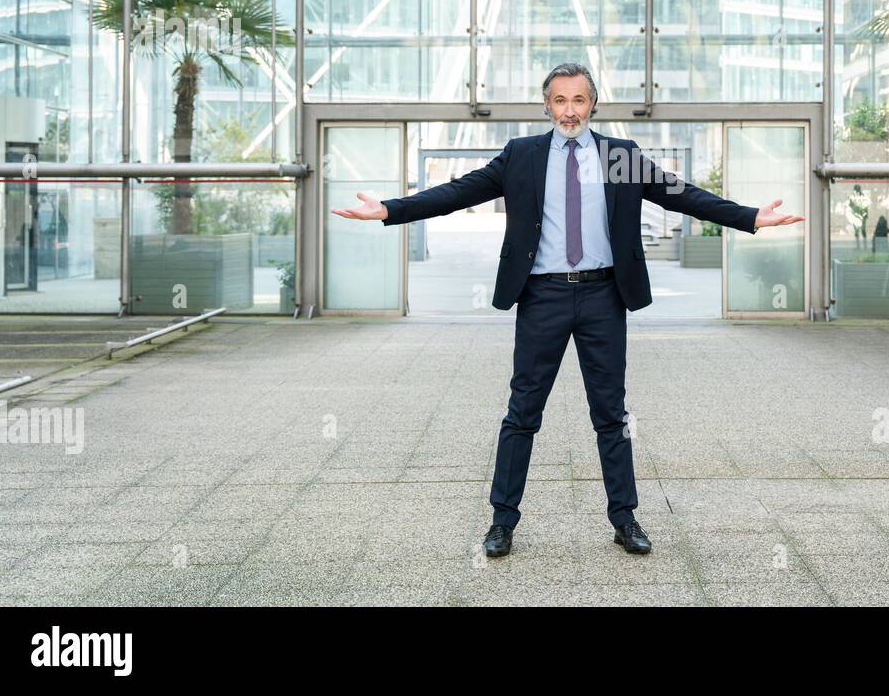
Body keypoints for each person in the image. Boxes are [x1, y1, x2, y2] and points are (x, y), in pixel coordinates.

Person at [331, 62, 804, 558]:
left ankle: (625, 520)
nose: (570, 111)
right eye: (560, 101)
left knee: (611, 415)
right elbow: (456, 193)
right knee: (522, 412)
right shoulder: (523, 156)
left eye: (579, 101)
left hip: (603, 296)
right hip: (542, 297)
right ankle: (501, 523)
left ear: (593, 104)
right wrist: (390, 209)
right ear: (547, 105)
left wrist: (749, 216)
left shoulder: (619, 156)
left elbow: (681, 195)